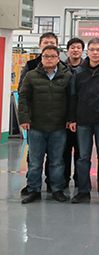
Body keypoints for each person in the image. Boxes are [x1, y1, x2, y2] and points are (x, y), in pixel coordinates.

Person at [19, 45, 72, 204]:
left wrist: (70, 119)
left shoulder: (67, 76)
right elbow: (23, 98)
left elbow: (72, 100)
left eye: (52, 56)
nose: (49, 59)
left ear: (58, 58)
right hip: (36, 127)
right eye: (46, 56)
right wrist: (24, 118)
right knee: (35, 162)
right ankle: (33, 190)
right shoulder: (31, 76)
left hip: (58, 127)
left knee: (57, 161)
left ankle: (57, 189)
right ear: (41, 58)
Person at [69, 38, 99, 204]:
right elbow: (73, 96)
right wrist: (72, 119)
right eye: (92, 49)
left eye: (98, 49)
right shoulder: (79, 71)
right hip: (83, 120)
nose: (95, 52)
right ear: (87, 52)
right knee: (83, 157)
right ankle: (83, 191)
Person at [63, 37, 85, 188]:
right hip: (63, 117)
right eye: (73, 47)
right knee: (64, 151)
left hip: (82, 118)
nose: (75, 50)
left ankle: (79, 180)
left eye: (78, 47)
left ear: (83, 51)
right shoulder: (61, 67)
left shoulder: (88, 68)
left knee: (81, 151)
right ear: (68, 50)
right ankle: (63, 179)